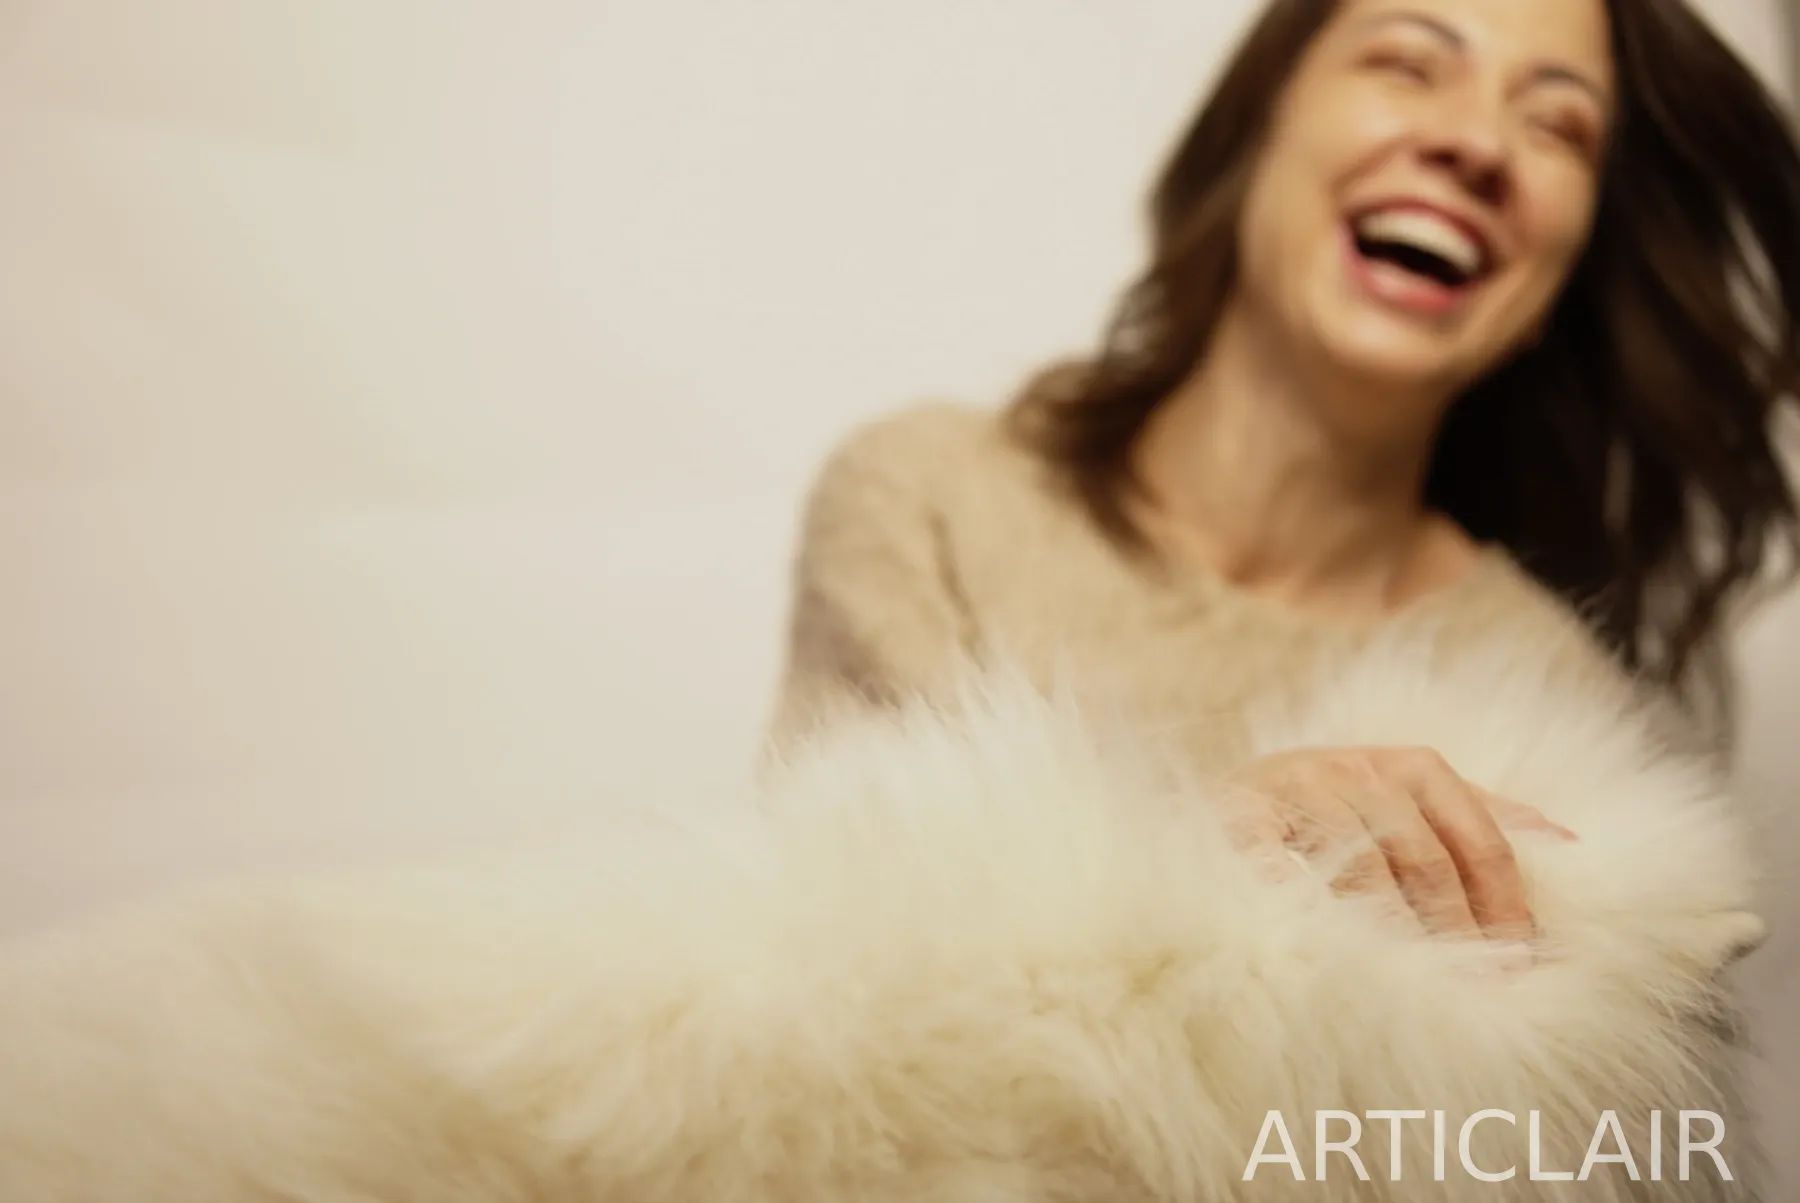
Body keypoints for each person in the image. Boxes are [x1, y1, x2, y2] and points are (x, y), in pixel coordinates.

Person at [766, 0, 1800, 945]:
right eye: (1408, 63)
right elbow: (835, 1006)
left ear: (1556, 287)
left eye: (1557, 127)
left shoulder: (1555, 695)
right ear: (1257, 132)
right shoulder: (929, 500)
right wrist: (1206, 867)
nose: (1478, 143)